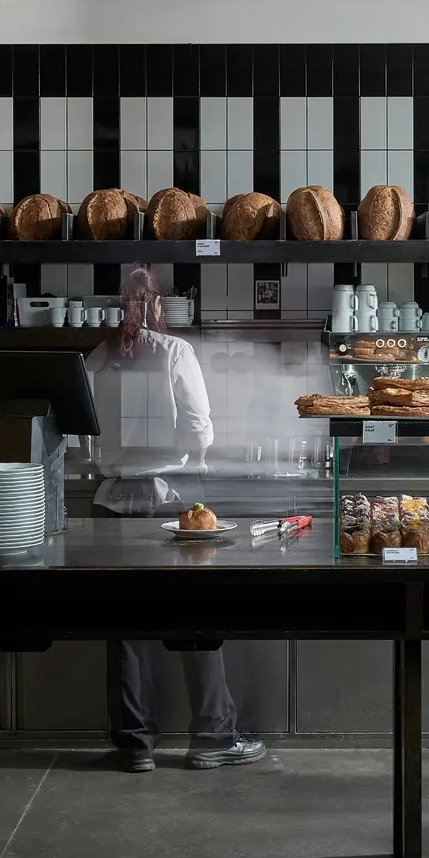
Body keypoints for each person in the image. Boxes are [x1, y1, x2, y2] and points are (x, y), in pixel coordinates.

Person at [83, 266, 265, 773]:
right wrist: (196, 454)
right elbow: (200, 427)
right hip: (172, 501)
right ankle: (212, 737)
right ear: (160, 304)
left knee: (126, 629)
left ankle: (136, 746)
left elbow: (85, 430)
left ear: (119, 305)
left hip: (112, 502)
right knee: (195, 619)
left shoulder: (99, 358)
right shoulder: (175, 353)